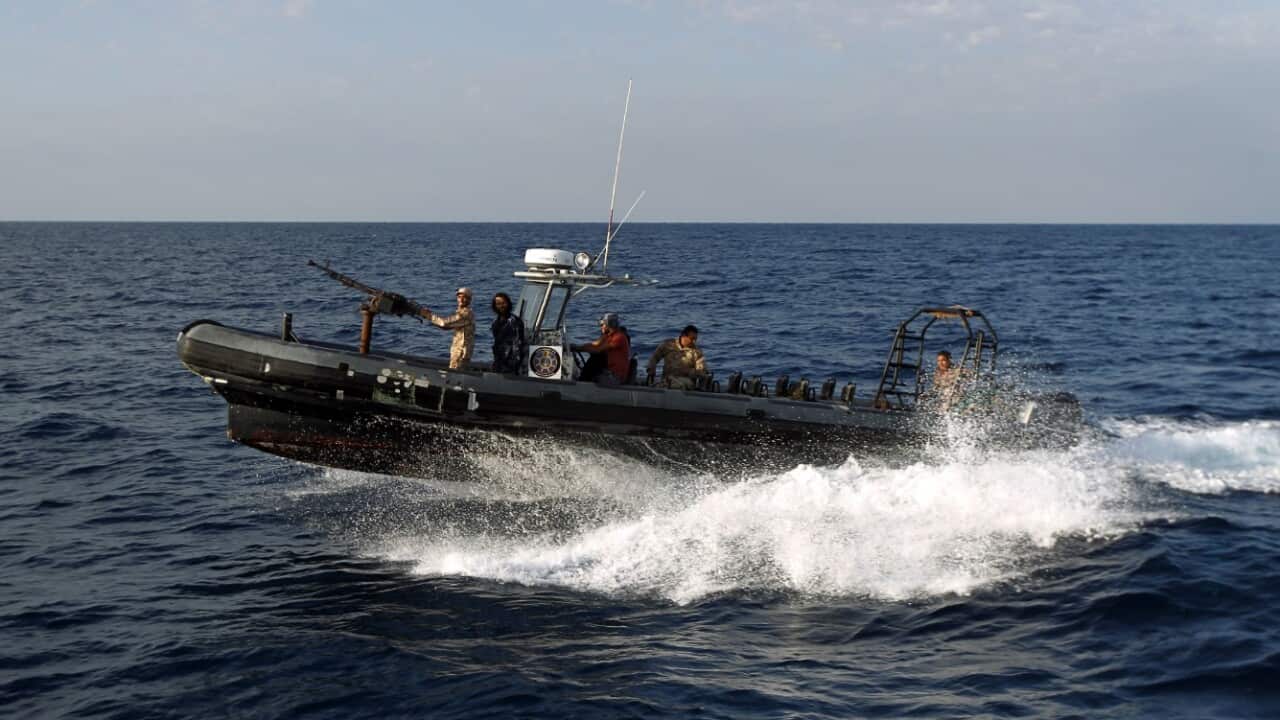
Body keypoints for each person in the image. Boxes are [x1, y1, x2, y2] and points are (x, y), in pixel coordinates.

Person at [420, 287, 475, 370]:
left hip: (461, 352)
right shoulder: (462, 312)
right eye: (459, 297)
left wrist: (428, 315)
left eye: (465, 297)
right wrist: (428, 317)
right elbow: (446, 327)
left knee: (455, 373)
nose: (461, 299)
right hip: (459, 350)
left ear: (469, 300)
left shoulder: (465, 314)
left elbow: (444, 324)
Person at [571, 313, 631, 386]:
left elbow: (598, 349)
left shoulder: (619, 337)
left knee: (596, 357)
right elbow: (594, 344)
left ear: (609, 325)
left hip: (616, 377)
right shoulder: (607, 336)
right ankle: (582, 380)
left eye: (602, 325)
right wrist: (576, 347)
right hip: (608, 372)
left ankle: (582, 384)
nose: (601, 327)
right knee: (594, 359)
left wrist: (579, 349)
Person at [646, 325, 708, 390]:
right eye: (692, 339)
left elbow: (702, 371)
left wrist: (689, 372)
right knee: (668, 383)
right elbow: (655, 357)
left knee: (677, 385)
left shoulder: (697, 352)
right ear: (684, 336)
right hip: (667, 379)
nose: (694, 342)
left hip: (686, 382)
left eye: (695, 339)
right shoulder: (668, 344)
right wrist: (651, 368)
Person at [490, 292, 526, 374]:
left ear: (508, 304)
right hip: (499, 358)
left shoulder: (514, 321)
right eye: (498, 304)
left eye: (503, 303)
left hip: (510, 360)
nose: (501, 306)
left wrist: (515, 362)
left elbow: (518, 343)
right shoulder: (496, 322)